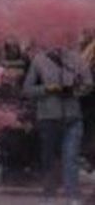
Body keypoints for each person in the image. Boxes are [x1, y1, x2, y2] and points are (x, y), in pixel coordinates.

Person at [23, 42, 90, 202]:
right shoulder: (39, 60)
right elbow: (27, 89)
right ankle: (49, 196)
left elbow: (88, 84)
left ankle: (73, 196)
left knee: (71, 158)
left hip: (72, 117)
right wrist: (47, 89)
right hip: (48, 117)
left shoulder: (76, 59)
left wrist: (74, 90)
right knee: (49, 159)